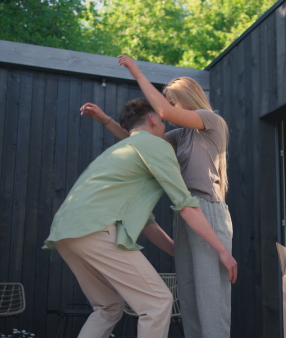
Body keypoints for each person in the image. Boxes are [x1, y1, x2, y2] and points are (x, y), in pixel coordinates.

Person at [44, 98, 237, 338]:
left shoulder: (121, 151)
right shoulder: (156, 147)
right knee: (157, 303)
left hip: (66, 234)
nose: (167, 129)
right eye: (165, 122)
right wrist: (222, 251)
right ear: (154, 119)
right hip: (97, 230)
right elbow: (186, 206)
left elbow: (148, 224)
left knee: (107, 308)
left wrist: (181, 251)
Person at [81, 55, 234, 338]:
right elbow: (138, 139)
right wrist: (106, 120)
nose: (170, 107)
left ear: (189, 98)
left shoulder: (210, 121)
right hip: (187, 214)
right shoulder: (181, 135)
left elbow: (161, 112)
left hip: (208, 210)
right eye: (169, 102)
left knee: (211, 301)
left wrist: (136, 70)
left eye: (174, 101)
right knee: (189, 300)